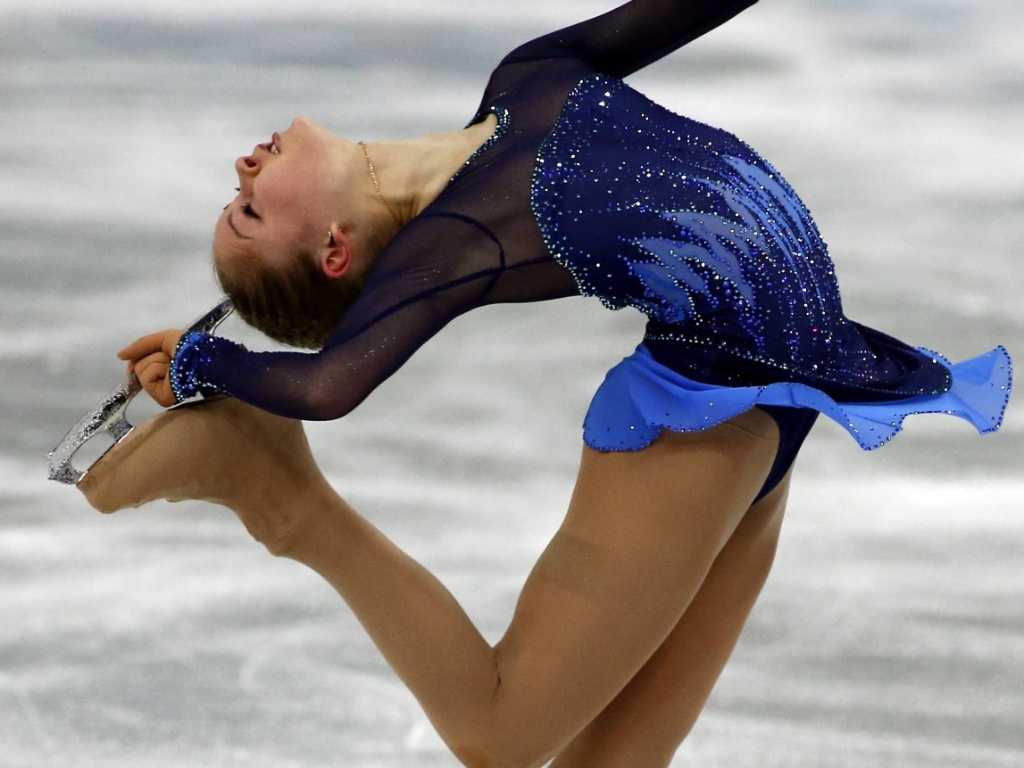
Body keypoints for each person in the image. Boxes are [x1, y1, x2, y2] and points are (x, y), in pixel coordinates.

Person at [85, 1, 1011, 766]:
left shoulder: (523, 81)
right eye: (248, 210)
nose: (242, 169)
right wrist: (210, 361)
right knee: (502, 733)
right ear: (334, 251)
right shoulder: (460, 239)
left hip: (783, 394)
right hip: (705, 409)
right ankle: (282, 496)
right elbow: (332, 384)